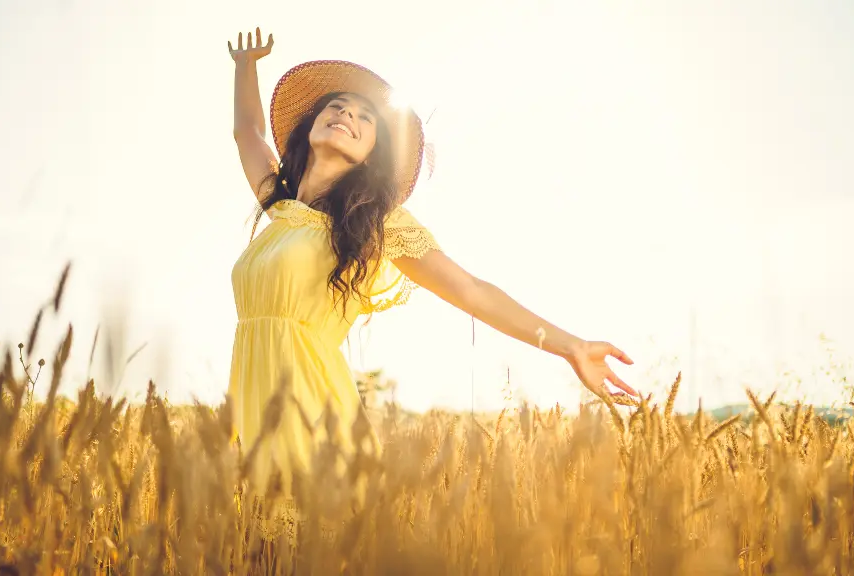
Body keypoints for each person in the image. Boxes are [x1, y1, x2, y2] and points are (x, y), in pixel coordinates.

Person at [227, 28, 639, 497]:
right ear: (312, 125)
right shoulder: (279, 207)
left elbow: (472, 291)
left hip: (314, 414)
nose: (346, 114)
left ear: (371, 156)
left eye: (364, 117)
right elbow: (247, 134)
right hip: (254, 412)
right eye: (337, 107)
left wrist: (572, 346)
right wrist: (246, 66)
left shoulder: (373, 225)